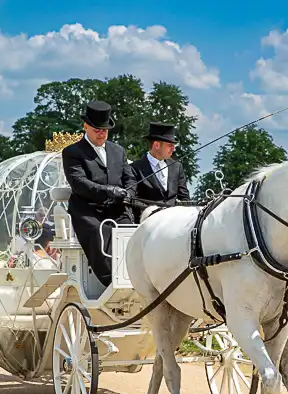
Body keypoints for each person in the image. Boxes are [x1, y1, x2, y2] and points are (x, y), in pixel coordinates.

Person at [62, 100, 137, 288]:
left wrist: (128, 193)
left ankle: (133, 275)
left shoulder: (118, 151)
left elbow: (130, 178)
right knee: (97, 232)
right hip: (88, 209)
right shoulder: (72, 152)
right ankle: (109, 280)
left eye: (105, 130)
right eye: (97, 130)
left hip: (117, 207)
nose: (102, 133)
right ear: (86, 126)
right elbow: (79, 183)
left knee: (130, 230)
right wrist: (109, 191)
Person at [129, 122, 191, 222]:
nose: (173, 149)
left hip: (174, 222)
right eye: (170, 145)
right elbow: (133, 199)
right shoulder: (134, 168)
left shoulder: (177, 167)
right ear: (157, 145)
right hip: (147, 224)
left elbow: (184, 198)